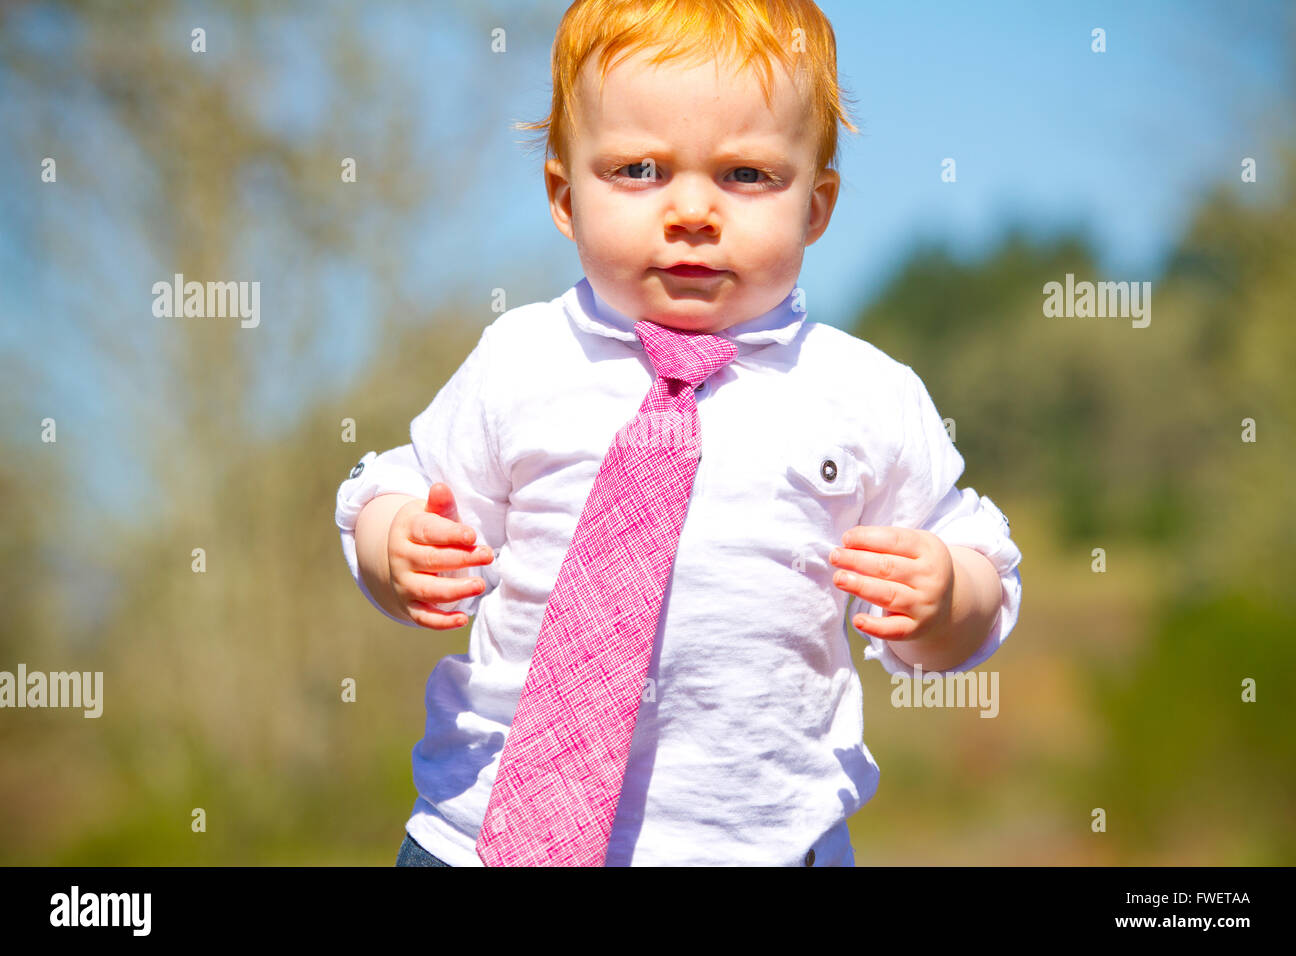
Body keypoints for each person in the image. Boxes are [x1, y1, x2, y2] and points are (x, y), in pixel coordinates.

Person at [335, 0, 1022, 867]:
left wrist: (948, 598)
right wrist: (393, 544)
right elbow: (400, 486)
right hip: (483, 833)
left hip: (760, 843)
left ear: (816, 206)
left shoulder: (861, 395)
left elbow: (977, 563)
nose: (692, 210)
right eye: (638, 170)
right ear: (563, 194)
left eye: (745, 176)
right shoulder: (521, 361)